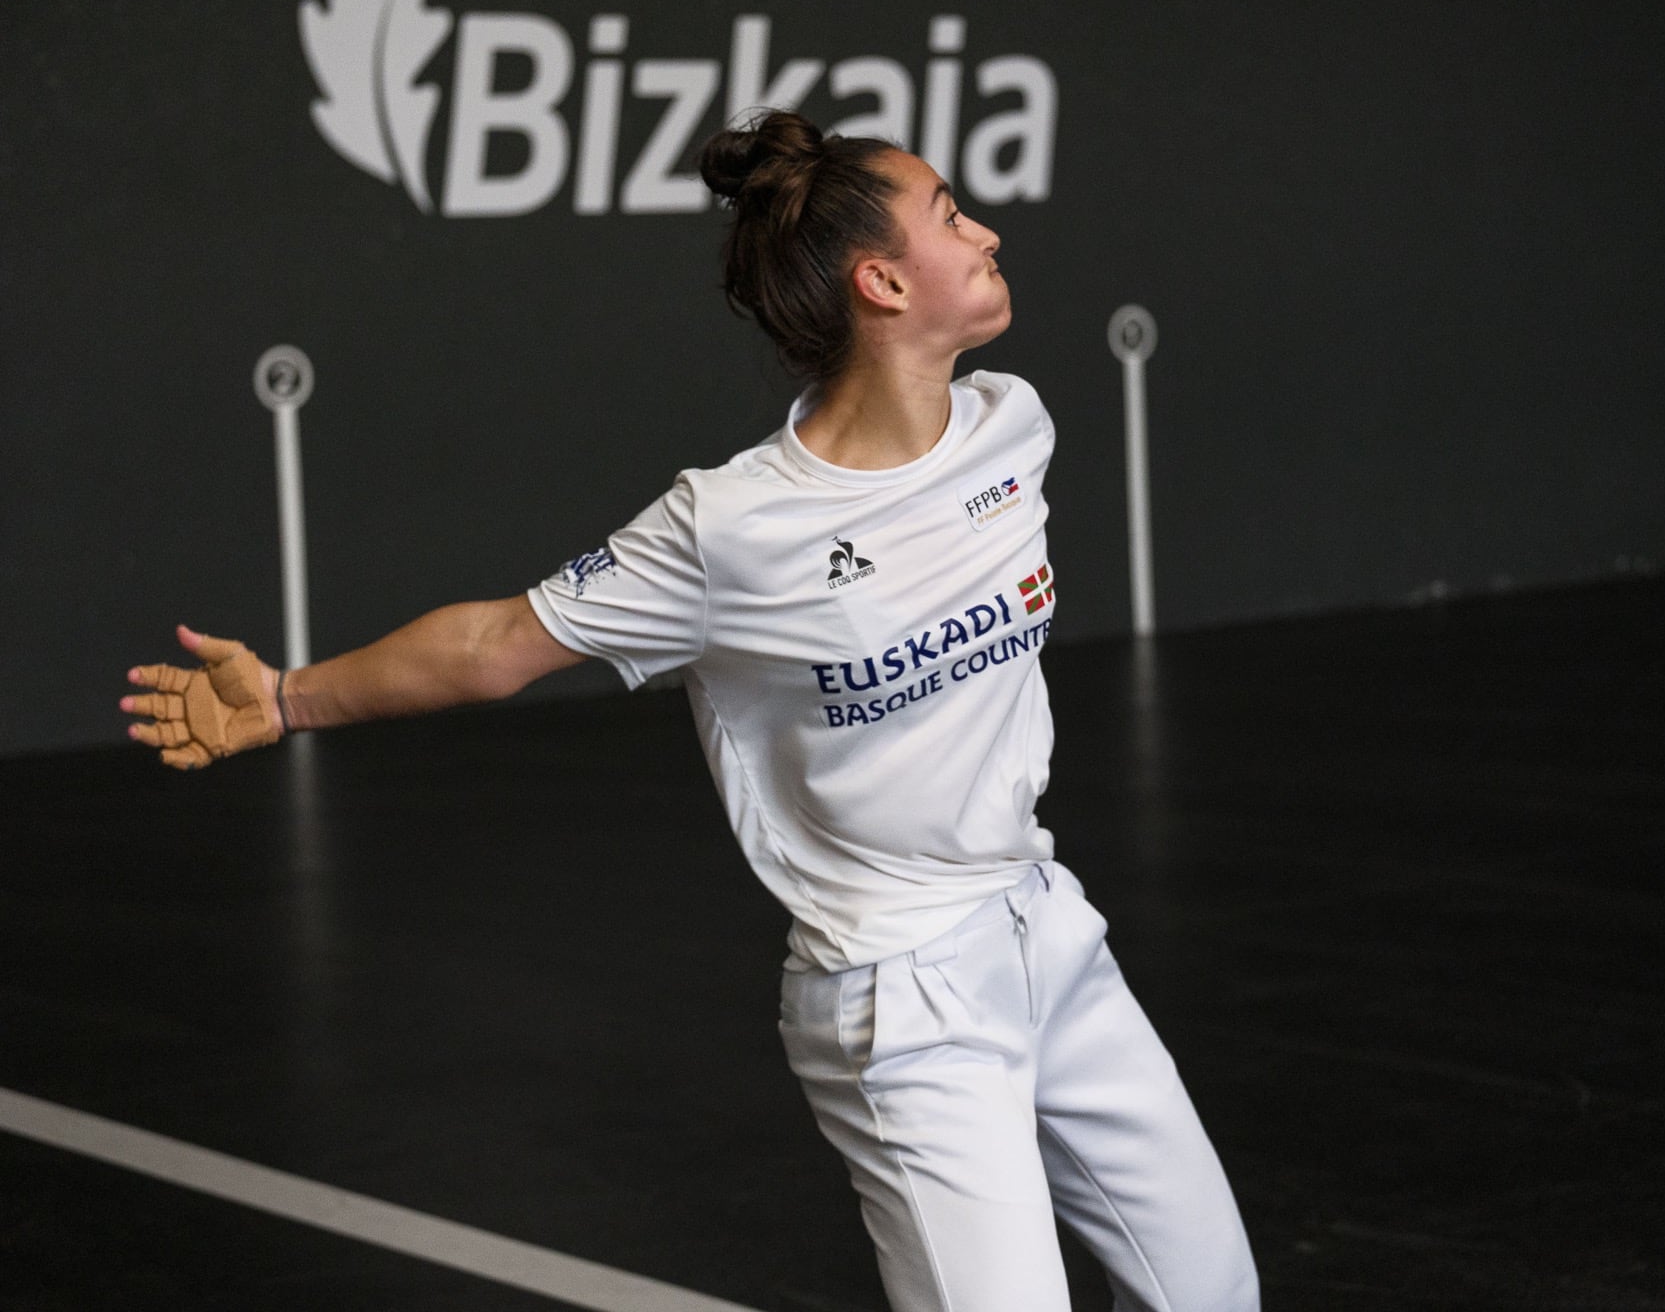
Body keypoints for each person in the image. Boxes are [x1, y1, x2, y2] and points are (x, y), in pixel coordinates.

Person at [120, 110, 1259, 1312]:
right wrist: (286, 698)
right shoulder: (731, 527)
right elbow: (498, 645)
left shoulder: (1010, 426)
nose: (988, 233)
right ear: (881, 282)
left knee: (1211, 1294)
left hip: (1046, 928)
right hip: (900, 998)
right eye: (950, 216)